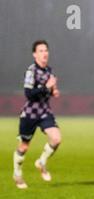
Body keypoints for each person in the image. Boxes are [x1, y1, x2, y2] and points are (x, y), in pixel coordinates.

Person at [13, 40, 61, 189]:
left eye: (46, 50)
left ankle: (41, 162)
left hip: (45, 111)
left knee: (56, 139)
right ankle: (17, 174)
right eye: (40, 50)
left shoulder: (49, 71)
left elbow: (50, 91)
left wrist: (54, 91)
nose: (44, 53)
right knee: (24, 146)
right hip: (30, 113)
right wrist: (45, 87)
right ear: (35, 54)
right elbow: (28, 94)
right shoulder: (31, 71)